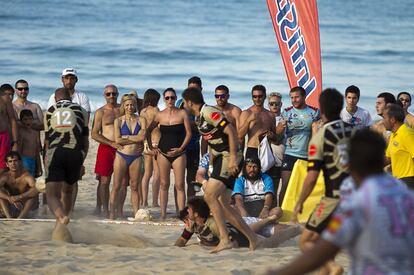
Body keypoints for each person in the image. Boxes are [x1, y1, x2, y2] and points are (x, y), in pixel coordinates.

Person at [271, 129, 414, 275]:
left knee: (309, 241)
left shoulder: (357, 201)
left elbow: (323, 250)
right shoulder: (404, 193)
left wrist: (278, 273)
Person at [182, 87, 259, 253]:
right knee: (224, 203)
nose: (184, 105)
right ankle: (252, 238)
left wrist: (232, 158)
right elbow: (213, 141)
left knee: (209, 195)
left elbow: (231, 131)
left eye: (184, 102)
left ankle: (225, 239)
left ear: (189, 102)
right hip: (219, 158)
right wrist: (212, 162)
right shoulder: (198, 118)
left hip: (229, 156)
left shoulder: (209, 112)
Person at [290, 88, 353, 275]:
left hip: (332, 201)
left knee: (306, 241)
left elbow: (311, 177)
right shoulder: (355, 132)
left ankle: (333, 267)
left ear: (322, 110)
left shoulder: (320, 137)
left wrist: (300, 201)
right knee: (326, 240)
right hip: (354, 200)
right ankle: (329, 268)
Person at [174, 197, 300, 249]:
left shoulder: (213, 224)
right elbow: (179, 244)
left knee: (275, 240)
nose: (187, 210)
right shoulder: (194, 225)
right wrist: (188, 232)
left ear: (196, 213)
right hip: (243, 232)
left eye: (189, 209)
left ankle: (297, 230)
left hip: (246, 238)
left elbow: (231, 243)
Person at [44, 87, 89, 227]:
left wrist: (46, 159)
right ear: (70, 97)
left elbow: (47, 140)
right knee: (68, 190)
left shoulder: (50, 111)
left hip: (56, 151)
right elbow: (85, 140)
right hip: (75, 152)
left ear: (56, 99)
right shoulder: (81, 111)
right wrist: (82, 160)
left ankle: (61, 217)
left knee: (51, 194)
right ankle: (65, 219)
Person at [150, 88, 191, 219]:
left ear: (175, 98)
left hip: (179, 153)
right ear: (164, 99)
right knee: (164, 184)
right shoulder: (159, 115)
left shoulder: (183, 113)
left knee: (179, 185)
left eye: (172, 97)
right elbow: (148, 130)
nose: (170, 100)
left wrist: (181, 148)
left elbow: (189, 134)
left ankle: (181, 214)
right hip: (163, 153)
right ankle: (162, 214)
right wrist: (152, 147)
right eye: (167, 98)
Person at [277, 86, 320, 206]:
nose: (294, 100)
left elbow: (319, 134)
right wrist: (280, 128)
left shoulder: (315, 112)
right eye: (291, 98)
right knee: (285, 186)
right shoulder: (286, 112)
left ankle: (300, 213)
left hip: (307, 155)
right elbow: (277, 134)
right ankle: (280, 213)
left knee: (304, 188)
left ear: (304, 97)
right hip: (290, 153)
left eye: (296, 97)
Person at [109, 95, 146, 220]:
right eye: (127, 105)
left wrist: (126, 138)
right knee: (117, 185)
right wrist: (132, 139)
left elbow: (142, 138)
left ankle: (136, 213)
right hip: (121, 156)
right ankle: (113, 212)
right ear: (123, 106)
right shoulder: (118, 121)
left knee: (135, 187)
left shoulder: (141, 120)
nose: (130, 107)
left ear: (135, 106)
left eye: (132, 105)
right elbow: (117, 139)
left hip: (136, 156)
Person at [91, 85, 121, 217]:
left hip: (121, 147)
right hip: (106, 147)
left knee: (121, 182)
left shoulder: (123, 109)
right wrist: (110, 143)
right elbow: (94, 134)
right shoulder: (100, 112)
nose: (111, 96)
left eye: (114, 94)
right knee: (104, 181)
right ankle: (104, 209)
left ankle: (114, 209)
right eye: (108, 94)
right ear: (104, 95)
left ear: (118, 94)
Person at [238, 85, 276, 161]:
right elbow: (239, 136)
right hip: (252, 149)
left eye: (260, 96)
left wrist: (272, 135)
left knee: (267, 173)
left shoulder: (270, 115)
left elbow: (275, 139)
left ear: (265, 96)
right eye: (254, 96)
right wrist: (248, 121)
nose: (257, 99)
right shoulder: (246, 113)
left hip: (267, 151)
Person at [383, 104, 414, 188]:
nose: (382, 121)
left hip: (409, 180)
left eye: (384, 118)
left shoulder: (407, 133)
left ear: (392, 120)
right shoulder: (394, 134)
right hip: (398, 180)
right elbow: (388, 158)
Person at [0, 151, 39, 218]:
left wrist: (20, 197)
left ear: (20, 162)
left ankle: (20, 218)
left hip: (24, 206)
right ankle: (9, 218)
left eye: (15, 161)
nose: (13, 164)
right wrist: (8, 198)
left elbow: (37, 189)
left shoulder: (27, 176)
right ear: (7, 164)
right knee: (1, 194)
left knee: (33, 196)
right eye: (10, 161)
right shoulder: (5, 177)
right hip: (10, 205)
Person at [140, 88, 161, 208]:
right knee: (157, 174)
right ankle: (154, 201)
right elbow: (158, 126)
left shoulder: (142, 111)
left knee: (146, 174)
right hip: (156, 142)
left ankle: (144, 201)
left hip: (145, 144)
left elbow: (143, 129)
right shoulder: (156, 110)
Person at [267, 92, 285, 199]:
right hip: (268, 158)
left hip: (281, 157)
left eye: (277, 104)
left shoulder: (284, 118)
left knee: (281, 188)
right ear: (268, 105)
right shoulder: (265, 118)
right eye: (272, 103)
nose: (274, 106)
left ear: (281, 104)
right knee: (270, 190)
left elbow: (278, 139)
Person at [0, 84, 19, 172]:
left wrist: (15, 142)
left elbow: (13, 120)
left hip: (3, 137)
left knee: (3, 167)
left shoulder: (5, 98)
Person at [18, 110, 41, 177]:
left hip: (33, 160)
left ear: (33, 119)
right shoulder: (21, 133)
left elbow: (37, 151)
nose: (28, 121)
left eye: (30, 119)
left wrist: (39, 166)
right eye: (25, 119)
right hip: (24, 160)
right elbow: (19, 149)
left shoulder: (35, 133)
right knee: (26, 180)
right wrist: (19, 163)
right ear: (21, 121)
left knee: (33, 179)